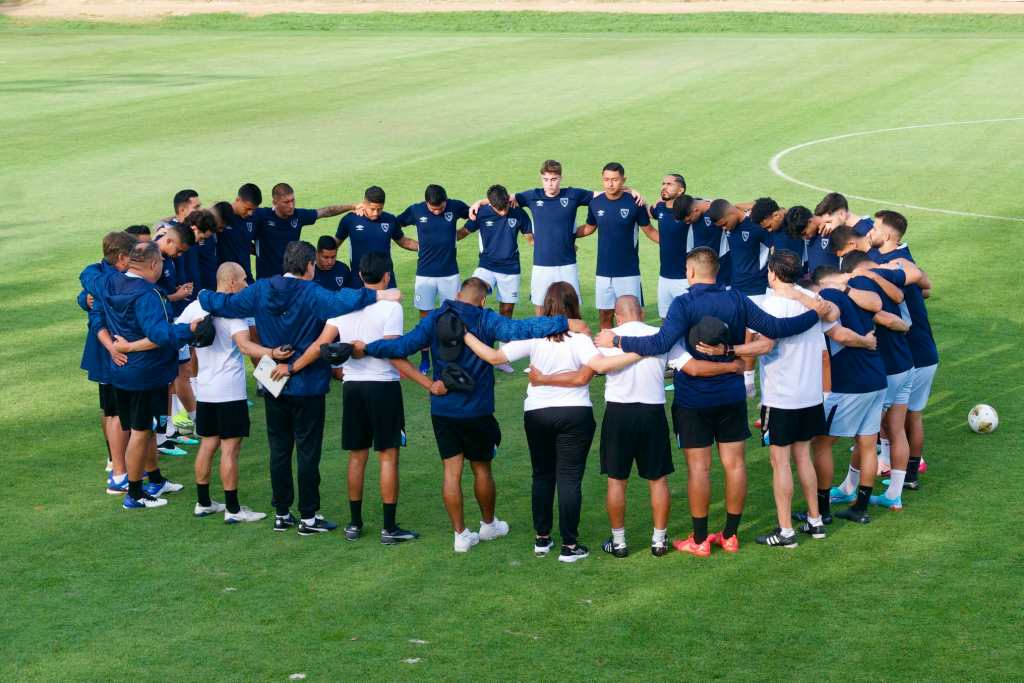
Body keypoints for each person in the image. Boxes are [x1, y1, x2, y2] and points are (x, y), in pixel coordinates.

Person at [596, 247, 837, 557]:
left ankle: (699, 540)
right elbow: (777, 329)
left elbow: (658, 344)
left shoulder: (684, 303)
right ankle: (730, 536)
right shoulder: (737, 298)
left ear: (691, 272)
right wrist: (812, 314)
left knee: (700, 470)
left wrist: (616, 340)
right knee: (734, 465)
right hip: (731, 395)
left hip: (694, 399)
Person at [356, 277, 588, 553]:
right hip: (477, 410)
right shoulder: (485, 318)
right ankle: (488, 525)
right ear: (481, 300)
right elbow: (521, 329)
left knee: (451, 472)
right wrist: (564, 323)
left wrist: (368, 347)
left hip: (443, 409)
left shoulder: (435, 317)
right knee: (482, 468)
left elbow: (402, 347)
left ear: (457, 294)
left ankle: (460, 535)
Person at [198, 241, 401, 535]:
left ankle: (281, 513)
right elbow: (343, 302)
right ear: (309, 266)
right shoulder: (313, 292)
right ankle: (308, 516)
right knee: (307, 451)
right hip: (307, 383)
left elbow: (224, 304)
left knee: (279, 449)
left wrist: (202, 294)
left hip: (272, 380)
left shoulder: (261, 289)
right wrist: (380, 294)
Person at [462, 284, 637, 563]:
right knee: (569, 478)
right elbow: (592, 372)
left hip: (538, 413)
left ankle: (542, 539)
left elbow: (494, 357)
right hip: (575, 413)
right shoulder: (580, 339)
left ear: (545, 306)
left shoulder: (534, 334)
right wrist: (644, 351)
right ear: (573, 307)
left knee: (542, 475)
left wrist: (465, 335)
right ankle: (570, 545)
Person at [287, 252, 435, 544]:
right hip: (383, 388)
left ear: (360, 276)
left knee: (357, 457)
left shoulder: (343, 306)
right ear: (386, 276)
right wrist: (427, 384)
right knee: (388, 457)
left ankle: (354, 524)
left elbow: (321, 344)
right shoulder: (391, 309)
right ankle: (389, 528)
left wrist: (292, 368)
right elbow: (392, 353)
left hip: (352, 388)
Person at [528, 295, 683, 558]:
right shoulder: (661, 335)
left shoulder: (606, 338)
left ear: (616, 317)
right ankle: (659, 540)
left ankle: (619, 541)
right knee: (658, 479)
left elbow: (587, 370)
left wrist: (543, 378)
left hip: (619, 413)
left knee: (616, 480)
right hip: (652, 412)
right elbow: (685, 365)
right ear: (642, 313)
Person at [751, 251, 877, 548]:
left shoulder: (768, 305)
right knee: (803, 457)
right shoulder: (813, 300)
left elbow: (763, 344)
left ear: (771, 273)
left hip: (781, 397)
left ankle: (785, 531)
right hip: (810, 396)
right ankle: (815, 520)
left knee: (780, 463)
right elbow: (833, 316)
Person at [97, 241, 204, 509]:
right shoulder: (148, 295)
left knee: (143, 428)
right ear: (154, 264)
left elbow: (88, 282)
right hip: (145, 372)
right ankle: (135, 494)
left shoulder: (110, 282)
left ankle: (154, 479)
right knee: (141, 431)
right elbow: (160, 335)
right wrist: (188, 330)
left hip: (122, 371)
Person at [805, 265, 901, 525]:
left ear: (820, 284)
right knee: (867, 443)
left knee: (822, 444)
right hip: (876, 377)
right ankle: (860, 508)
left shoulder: (827, 299)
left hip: (849, 382)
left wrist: (863, 340)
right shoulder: (856, 294)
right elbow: (878, 304)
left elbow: (840, 336)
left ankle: (822, 511)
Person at [838, 251, 924, 513]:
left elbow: (882, 316)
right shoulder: (883, 275)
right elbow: (904, 293)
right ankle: (894, 495)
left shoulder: (856, 286)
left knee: (866, 434)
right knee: (896, 429)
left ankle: (849, 488)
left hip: (885, 370)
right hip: (905, 364)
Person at [869, 211, 937, 487]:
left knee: (894, 419)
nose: (870, 231)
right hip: (925, 351)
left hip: (910, 356)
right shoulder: (902, 261)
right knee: (912, 416)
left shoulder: (894, 266)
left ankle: (890, 466)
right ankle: (908, 475)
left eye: (874, 228)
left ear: (886, 235)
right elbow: (927, 287)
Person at [78, 230, 138, 492]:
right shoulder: (104, 278)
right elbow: (91, 301)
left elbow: (87, 293)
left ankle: (116, 461)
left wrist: (85, 298)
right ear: (122, 257)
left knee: (111, 408)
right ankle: (118, 469)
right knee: (115, 410)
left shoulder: (94, 274)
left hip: (110, 352)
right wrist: (85, 298)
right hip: (111, 352)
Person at [397, 185, 471, 373]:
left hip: (450, 274)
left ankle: (453, 357)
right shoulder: (416, 210)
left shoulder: (455, 206)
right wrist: (414, 245)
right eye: (433, 208)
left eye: (440, 208)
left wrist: (460, 234)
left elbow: (475, 215)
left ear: (446, 201)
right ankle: (425, 360)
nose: (437, 211)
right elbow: (395, 225)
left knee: (452, 317)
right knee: (426, 318)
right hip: (425, 275)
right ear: (426, 203)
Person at [574, 162, 657, 329]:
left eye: (614, 180)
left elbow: (649, 231)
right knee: (605, 316)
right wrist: (563, 236)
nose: (610, 184)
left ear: (623, 180)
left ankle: (635, 352)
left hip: (628, 271)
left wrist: (673, 242)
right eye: (606, 180)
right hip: (603, 272)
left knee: (633, 318)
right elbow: (589, 228)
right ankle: (608, 353)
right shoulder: (596, 204)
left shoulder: (635, 203)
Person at [252, 182, 361, 280]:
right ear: (275, 202)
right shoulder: (261, 216)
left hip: (291, 279)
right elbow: (240, 236)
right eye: (286, 202)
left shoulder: (298, 216)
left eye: (292, 200)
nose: (291, 205)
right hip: (267, 280)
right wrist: (258, 252)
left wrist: (353, 206)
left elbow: (326, 212)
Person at [462, 184, 533, 319]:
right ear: (491, 204)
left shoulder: (518, 213)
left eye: (505, 208)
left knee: (506, 311)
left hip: (510, 268)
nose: (503, 213)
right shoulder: (482, 213)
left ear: (507, 200)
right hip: (486, 265)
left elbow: (531, 239)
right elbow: (463, 232)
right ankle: (474, 335)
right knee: (471, 295)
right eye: (498, 210)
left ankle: (503, 340)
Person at [335, 185, 418, 289]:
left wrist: (424, 247)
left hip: (386, 277)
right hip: (359, 277)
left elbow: (403, 241)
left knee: (391, 305)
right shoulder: (350, 220)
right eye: (372, 209)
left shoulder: (390, 219)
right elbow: (335, 244)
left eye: (380, 209)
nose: (376, 213)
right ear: (364, 204)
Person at [649, 174, 690, 318]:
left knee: (689, 319)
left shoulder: (689, 211)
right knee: (665, 319)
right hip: (664, 277)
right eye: (663, 183)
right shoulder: (659, 208)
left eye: (669, 184)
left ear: (680, 190)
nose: (664, 187)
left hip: (685, 278)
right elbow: (646, 212)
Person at [216, 183, 263, 283]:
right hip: (226, 280)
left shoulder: (254, 217)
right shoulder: (221, 215)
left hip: (246, 277)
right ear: (238, 199)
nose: (250, 213)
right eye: (248, 209)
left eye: (253, 210)